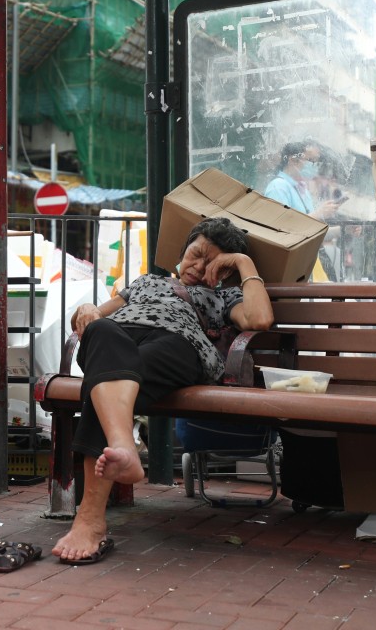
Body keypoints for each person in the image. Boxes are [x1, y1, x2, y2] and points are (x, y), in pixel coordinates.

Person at [51, 217, 273, 564]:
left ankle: (90, 520)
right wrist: (86, 311)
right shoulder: (145, 282)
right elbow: (96, 317)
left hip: (177, 345)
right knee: (102, 335)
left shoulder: (226, 295)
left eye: (212, 262)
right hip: (119, 342)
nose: (198, 267)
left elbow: (259, 320)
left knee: (102, 383)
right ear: (183, 250)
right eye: (196, 254)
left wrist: (243, 263)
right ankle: (122, 445)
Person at [263, 141, 344, 222]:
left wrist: (343, 230)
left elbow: (311, 231)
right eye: (310, 160)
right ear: (293, 160)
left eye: (317, 161)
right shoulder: (278, 187)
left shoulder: (301, 188)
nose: (315, 165)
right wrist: (318, 214)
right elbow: (280, 225)